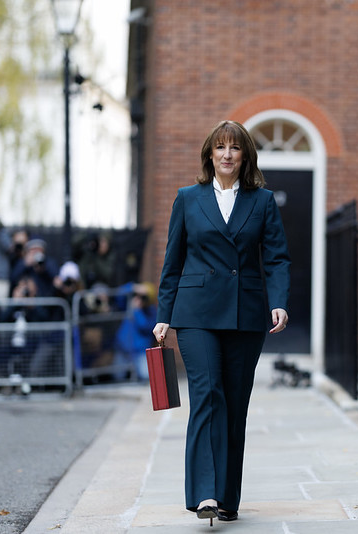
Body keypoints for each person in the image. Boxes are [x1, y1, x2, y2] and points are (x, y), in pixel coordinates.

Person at [152, 120, 291, 525]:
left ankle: (228, 498)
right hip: (195, 314)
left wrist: (278, 302)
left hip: (246, 314)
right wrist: (164, 316)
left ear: (245, 155)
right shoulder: (187, 199)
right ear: (209, 155)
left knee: (234, 403)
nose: (227, 154)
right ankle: (204, 494)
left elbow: (278, 257)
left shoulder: (262, 201)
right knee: (207, 394)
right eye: (220, 147)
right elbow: (172, 262)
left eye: (235, 148)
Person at [114, 282, 157, 381]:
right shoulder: (129, 304)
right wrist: (133, 287)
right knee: (117, 376)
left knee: (145, 375)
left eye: (144, 297)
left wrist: (137, 311)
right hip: (123, 349)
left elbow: (145, 326)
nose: (141, 299)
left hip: (140, 351)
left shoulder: (151, 311)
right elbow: (118, 294)